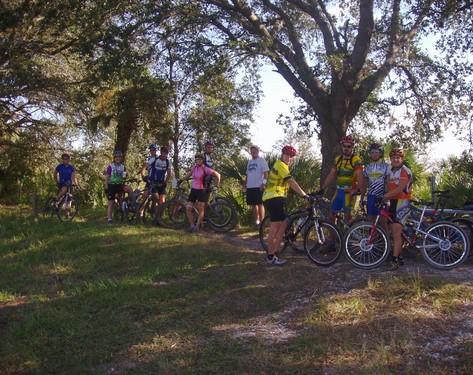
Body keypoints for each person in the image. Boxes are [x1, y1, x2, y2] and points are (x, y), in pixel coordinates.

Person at [262, 145, 308, 266]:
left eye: (291, 156)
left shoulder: (281, 166)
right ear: (282, 154)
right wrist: (304, 194)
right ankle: (271, 256)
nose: (289, 158)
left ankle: (274, 252)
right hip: (274, 198)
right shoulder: (281, 165)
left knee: (282, 225)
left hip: (273, 198)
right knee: (275, 228)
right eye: (287, 155)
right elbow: (291, 181)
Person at [319, 135, 363, 222]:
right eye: (344, 146)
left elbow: (360, 176)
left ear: (352, 147)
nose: (346, 148)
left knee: (348, 217)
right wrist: (322, 188)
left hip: (349, 193)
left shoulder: (355, 159)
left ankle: (348, 235)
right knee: (331, 215)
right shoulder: (338, 159)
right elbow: (331, 174)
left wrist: (357, 190)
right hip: (338, 192)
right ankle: (333, 235)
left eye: (349, 146)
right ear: (341, 146)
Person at [383, 148, 413, 270]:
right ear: (390, 159)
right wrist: (385, 196)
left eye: (398, 158)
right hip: (393, 201)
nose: (395, 159)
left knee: (396, 232)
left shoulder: (404, 171)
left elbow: (400, 188)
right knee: (394, 231)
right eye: (393, 157)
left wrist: (384, 197)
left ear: (402, 159)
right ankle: (399, 256)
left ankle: (394, 260)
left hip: (402, 202)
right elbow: (387, 186)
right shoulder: (389, 170)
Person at [181, 154, 221, 232]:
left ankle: (197, 227)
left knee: (200, 209)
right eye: (197, 159)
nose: (198, 160)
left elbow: (218, 175)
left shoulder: (205, 169)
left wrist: (217, 185)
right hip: (194, 190)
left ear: (202, 160)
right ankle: (192, 226)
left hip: (202, 191)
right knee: (188, 208)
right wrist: (181, 180)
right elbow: (188, 175)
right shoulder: (194, 168)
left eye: (200, 159)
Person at [359, 143, 389, 219]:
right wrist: (362, 198)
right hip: (371, 196)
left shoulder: (386, 166)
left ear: (380, 153)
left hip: (382, 197)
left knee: (382, 220)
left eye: (376, 152)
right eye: (372, 152)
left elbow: (387, 182)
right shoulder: (367, 167)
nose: (374, 154)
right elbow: (364, 184)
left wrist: (386, 197)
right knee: (370, 219)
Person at [140, 145, 171, 216]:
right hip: (152, 182)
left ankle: (158, 218)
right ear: (160, 152)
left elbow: (169, 173)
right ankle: (140, 213)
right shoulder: (155, 159)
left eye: (166, 153)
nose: (164, 155)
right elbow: (144, 166)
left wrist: (165, 182)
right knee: (148, 196)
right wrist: (143, 175)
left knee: (162, 201)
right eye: (163, 153)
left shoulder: (168, 162)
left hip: (161, 183)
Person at [103, 150, 133, 224]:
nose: (118, 158)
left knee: (128, 190)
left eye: (119, 157)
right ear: (114, 158)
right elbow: (107, 177)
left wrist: (126, 176)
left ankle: (130, 204)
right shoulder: (110, 166)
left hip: (120, 185)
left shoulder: (123, 167)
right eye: (116, 157)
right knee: (111, 202)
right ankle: (109, 219)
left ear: (121, 158)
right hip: (112, 186)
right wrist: (106, 187)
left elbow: (124, 177)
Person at [243, 145, 269, 227]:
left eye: (255, 150)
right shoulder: (249, 162)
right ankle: (256, 222)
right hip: (250, 187)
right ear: (250, 152)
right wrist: (245, 185)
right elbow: (247, 174)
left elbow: (266, 173)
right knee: (253, 205)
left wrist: (264, 183)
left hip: (258, 186)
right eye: (252, 151)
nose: (253, 152)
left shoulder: (262, 161)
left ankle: (262, 223)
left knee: (260, 204)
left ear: (258, 151)